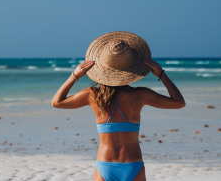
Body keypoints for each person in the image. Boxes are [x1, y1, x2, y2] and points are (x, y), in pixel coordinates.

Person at [51, 31, 186, 181]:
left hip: (105, 165)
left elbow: (56, 102)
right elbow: (179, 103)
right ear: (132, 69)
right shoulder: (139, 95)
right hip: (133, 165)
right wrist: (161, 74)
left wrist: (75, 76)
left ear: (102, 68)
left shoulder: (93, 95)